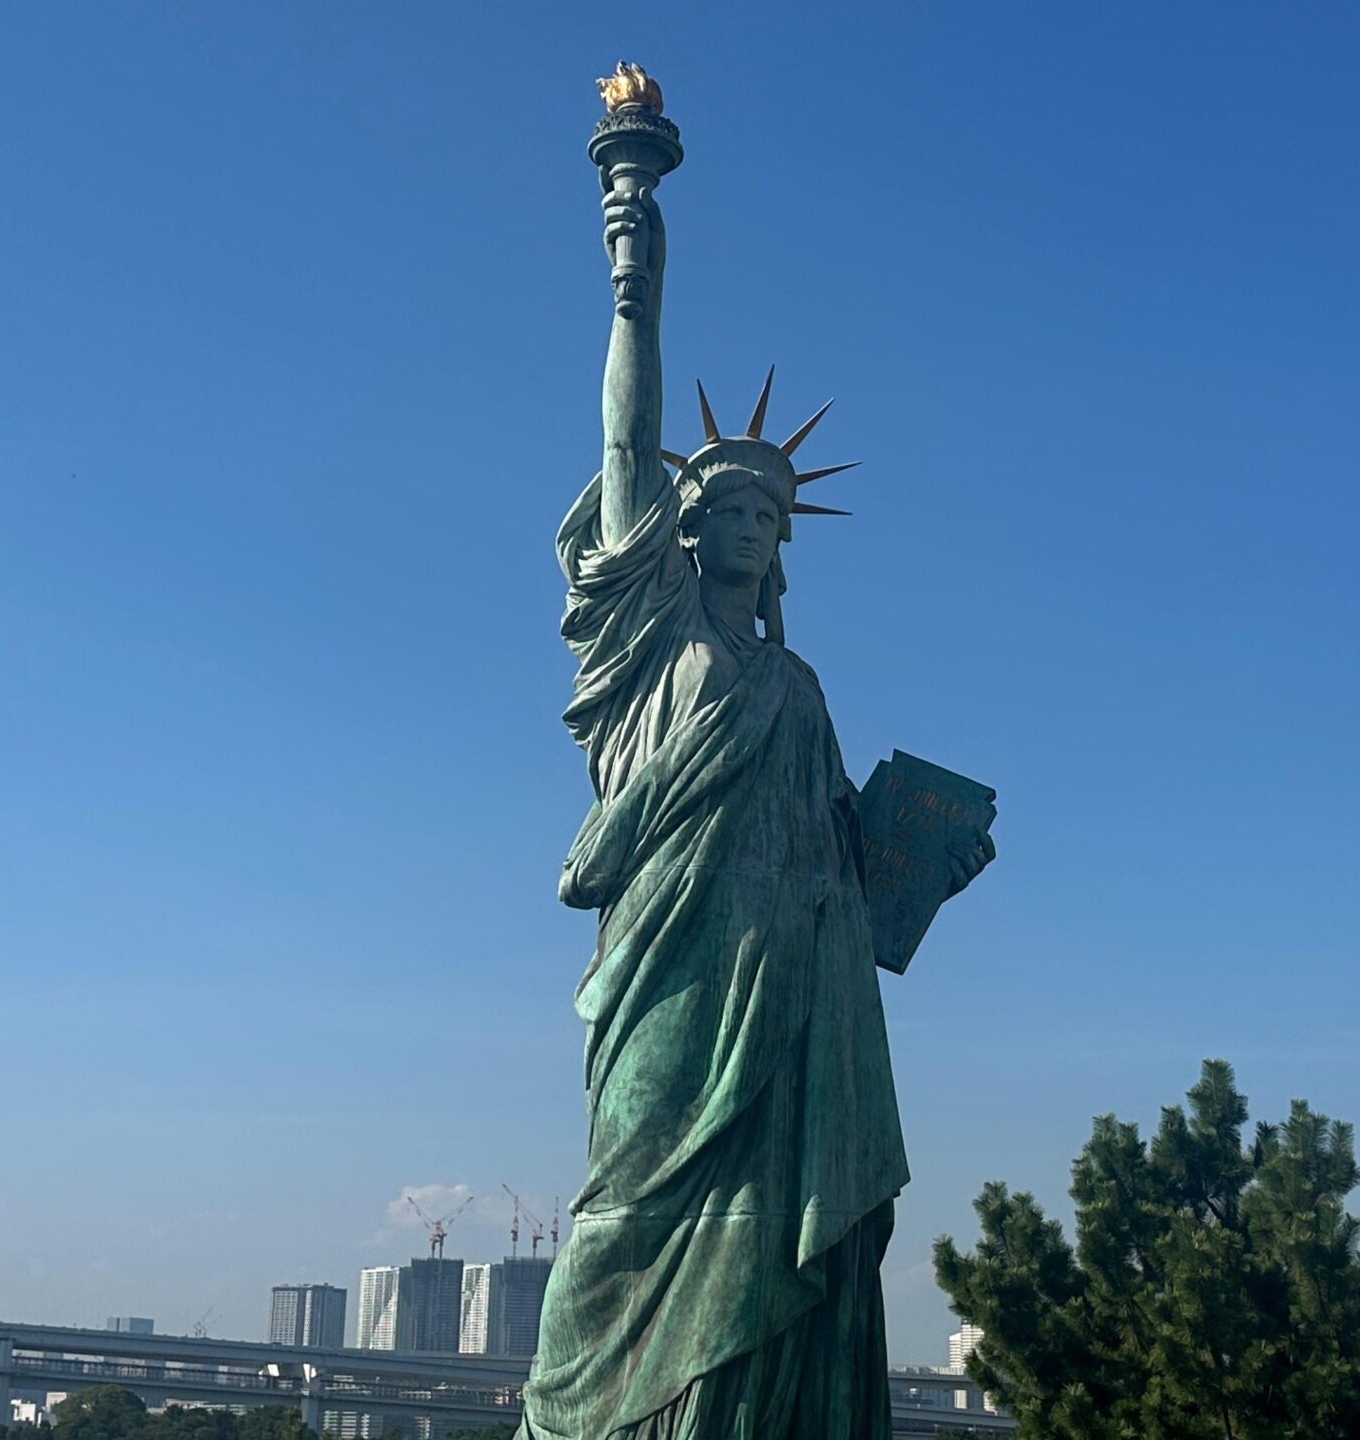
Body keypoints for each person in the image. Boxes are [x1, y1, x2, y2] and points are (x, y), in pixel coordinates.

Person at [519, 173, 991, 1440]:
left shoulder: (800, 683)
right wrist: (636, 276)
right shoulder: (648, 632)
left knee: (785, 1237)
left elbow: (846, 846)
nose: (749, 524)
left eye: (769, 514)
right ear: (684, 525)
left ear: (783, 543)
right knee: (625, 1215)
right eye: (727, 506)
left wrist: (929, 862)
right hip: (673, 969)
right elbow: (626, 446)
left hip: (796, 989)